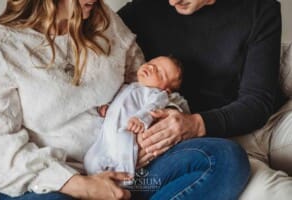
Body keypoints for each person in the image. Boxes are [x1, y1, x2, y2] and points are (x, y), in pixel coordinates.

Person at [0, 0, 250, 200]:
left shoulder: (106, 25)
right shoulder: (2, 44)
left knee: (225, 159)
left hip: (127, 172)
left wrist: (165, 119)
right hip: (53, 183)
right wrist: (82, 186)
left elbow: (147, 88)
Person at [118, 0, 292, 199]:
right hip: (212, 145)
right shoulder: (140, 11)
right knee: (283, 194)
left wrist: (196, 124)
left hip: (269, 124)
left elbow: (258, 102)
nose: (173, 1)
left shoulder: (259, 8)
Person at [84, 56, 189, 179]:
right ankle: (99, 184)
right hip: (107, 133)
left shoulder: (157, 94)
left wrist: (141, 119)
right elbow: (118, 101)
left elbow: (153, 107)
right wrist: (107, 107)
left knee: (123, 155)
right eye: (151, 63)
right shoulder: (127, 86)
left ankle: (124, 181)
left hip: (126, 130)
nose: (151, 68)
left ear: (166, 90)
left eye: (159, 73)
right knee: (90, 159)